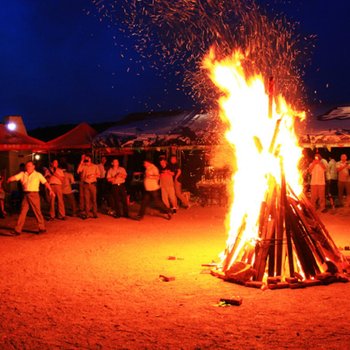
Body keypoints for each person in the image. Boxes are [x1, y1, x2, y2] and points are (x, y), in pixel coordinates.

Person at [7, 160, 55, 235]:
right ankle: (17, 230)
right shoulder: (23, 174)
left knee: (37, 212)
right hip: (25, 195)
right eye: (27, 166)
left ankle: (42, 228)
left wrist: (51, 190)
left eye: (29, 166)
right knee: (22, 212)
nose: (27, 167)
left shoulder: (38, 175)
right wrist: (9, 179)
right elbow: (15, 177)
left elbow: (45, 182)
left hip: (34, 194)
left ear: (33, 167)